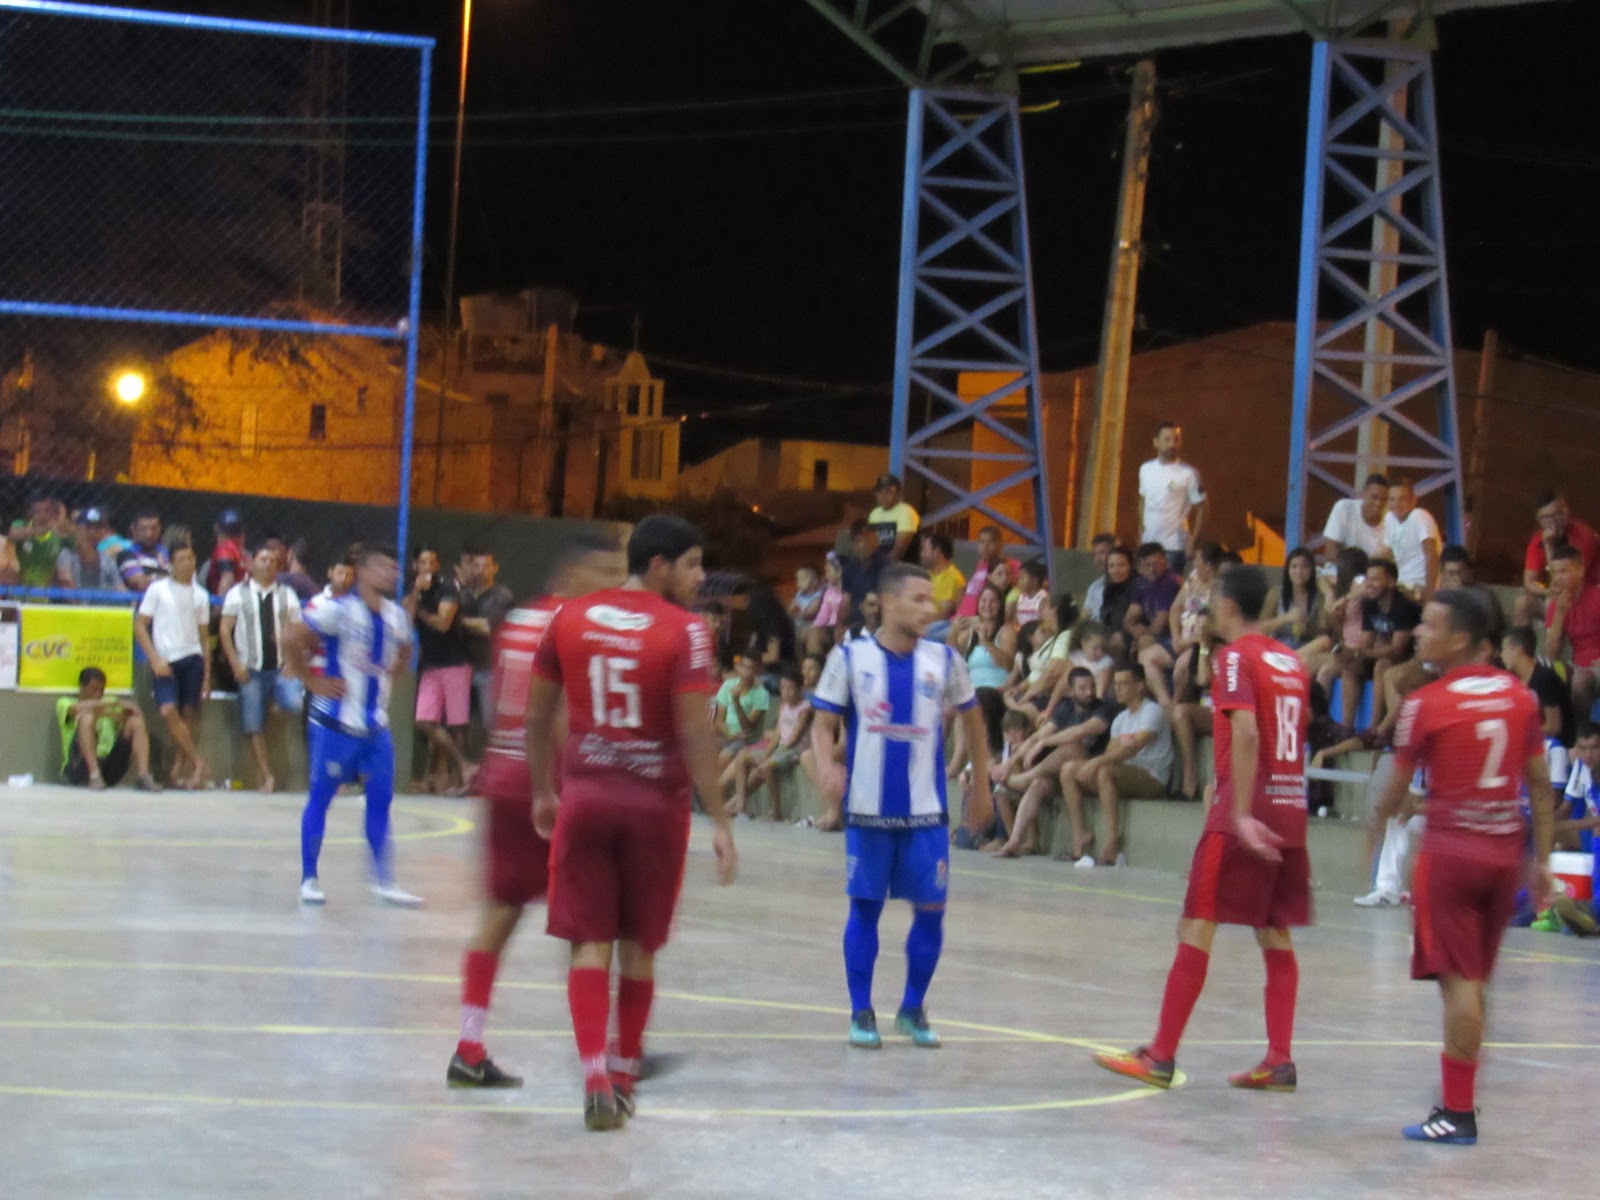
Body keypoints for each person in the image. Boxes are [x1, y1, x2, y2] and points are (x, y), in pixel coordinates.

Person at [524, 512, 738, 1131]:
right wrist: (720, 818)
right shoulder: (687, 631)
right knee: (638, 947)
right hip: (654, 808)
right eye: (692, 565)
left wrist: (543, 790)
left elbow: (536, 717)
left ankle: (593, 1074)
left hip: (586, 799)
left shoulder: (569, 617)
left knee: (589, 942)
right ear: (658, 565)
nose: (700, 577)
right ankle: (622, 1075)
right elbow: (696, 733)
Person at [1093, 565, 1311, 1092]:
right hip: (1290, 804)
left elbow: (1247, 732)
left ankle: (1160, 1055)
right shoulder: (1289, 661)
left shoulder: (1234, 658)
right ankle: (1279, 1059)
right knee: (1274, 930)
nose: (1202, 607)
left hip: (1245, 810)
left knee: (1196, 923)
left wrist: (1239, 811)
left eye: (1209, 599)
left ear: (1228, 605)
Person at [447, 532, 626, 1090]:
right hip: (551, 787)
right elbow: (560, 716)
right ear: (575, 574)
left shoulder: (519, 620)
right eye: (607, 573)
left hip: (503, 779)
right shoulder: (580, 627)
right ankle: (598, 1070)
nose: (617, 584)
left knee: (500, 912)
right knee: (589, 926)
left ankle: (469, 1046)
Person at [1374, 587, 1552, 1145]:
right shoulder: (1520, 697)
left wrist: (1377, 828)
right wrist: (1542, 860)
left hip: (1451, 856)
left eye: (1430, 626)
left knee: (1460, 985)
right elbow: (1540, 785)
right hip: (1503, 855)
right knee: (1475, 980)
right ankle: (1458, 1101)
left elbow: (1394, 790)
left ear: (1461, 639)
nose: (1418, 633)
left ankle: (1457, 1113)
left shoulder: (1427, 703)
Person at [810, 561, 993, 1051]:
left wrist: (981, 785)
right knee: (865, 909)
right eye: (918, 599)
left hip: (927, 813)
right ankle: (861, 1011)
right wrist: (826, 768)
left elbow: (974, 723)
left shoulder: (946, 661)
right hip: (867, 810)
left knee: (931, 911)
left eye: (931, 599)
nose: (929, 609)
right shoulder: (849, 658)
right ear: (887, 603)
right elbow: (822, 725)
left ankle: (912, 1008)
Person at [286, 541, 421, 909]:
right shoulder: (338, 609)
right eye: (384, 567)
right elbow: (290, 636)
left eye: (395, 568)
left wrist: (390, 674)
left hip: (375, 726)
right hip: (335, 724)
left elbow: (405, 651)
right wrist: (311, 681)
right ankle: (309, 878)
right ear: (363, 571)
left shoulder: (396, 617)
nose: (392, 573)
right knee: (321, 798)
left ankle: (384, 881)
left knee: (381, 800)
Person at [1059, 665, 1172, 866]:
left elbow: (1133, 748)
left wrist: (1097, 761)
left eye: (1123, 684)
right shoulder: (1121, 718)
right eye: (1115, 685)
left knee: (1105, 771)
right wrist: (1099, 760)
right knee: (1068, 770)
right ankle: (1080, 834)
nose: (1117, 689)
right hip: (1125, 772)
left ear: (1139, 686)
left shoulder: (1152, 711)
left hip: (1152, 776)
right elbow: (1112, 753)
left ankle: (1112, 842)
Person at [219, 544, 304, 792]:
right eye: (263, 559)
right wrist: (235, 664)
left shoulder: (287, 594)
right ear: (252, 563)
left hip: (280, 668)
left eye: (273, 561)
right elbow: (224, 630)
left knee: (294, 703)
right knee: (253, 724)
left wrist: (293, 661)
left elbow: (297, 630)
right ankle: (267, 775)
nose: (268, 564)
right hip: (250, 669)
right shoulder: (238, 593)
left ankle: (271, 704)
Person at [133, 539, 211, 790]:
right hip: (165, 660)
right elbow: (140, 626)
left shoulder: (201, 595)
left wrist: (207, 676)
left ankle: (176, 771)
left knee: (187, 716)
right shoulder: (158, 589)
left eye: (190, 558)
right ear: (171, 564)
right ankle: (198, 762)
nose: (187, 563)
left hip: (192, 658)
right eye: (181, 559)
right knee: (168, 711)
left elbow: (204, 638)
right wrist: (154, 658)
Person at [405, 546, 473, 794]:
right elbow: (405, 620)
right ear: (415, 565)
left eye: (432, 562)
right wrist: (416, 593)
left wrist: (421, 612)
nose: (428, 567)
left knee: (457, 724)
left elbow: (443, 623)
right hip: (431, 666)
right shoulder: (414, 590)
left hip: (455, 663)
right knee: (424, 721)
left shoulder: (447, 587)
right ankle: (464, 765)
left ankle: (459, 781)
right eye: (423, 562)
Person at [58, 667, 158, 790]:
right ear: (82, 687)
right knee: (87, 717)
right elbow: (77, 709)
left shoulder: (109, 703)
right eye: (94, 689)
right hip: (79, 767)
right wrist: (112, 705)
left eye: (101, 690)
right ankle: (94, 775)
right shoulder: (65, 702)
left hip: (107, 766)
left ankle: (143, 776)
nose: (98, 694)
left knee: (135, 722)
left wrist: (128, 710)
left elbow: (134, 716)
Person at [458, 546, 514, 744]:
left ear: (495, 568)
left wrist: (454, 620)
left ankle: (494, 763)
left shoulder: (502, 596)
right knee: (458, 725)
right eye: (476, 566)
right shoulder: (461, 592)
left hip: (489, 668)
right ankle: (459, 763)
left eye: (486, 566)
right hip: (461, 667)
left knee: (491, 725)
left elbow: (487, 627)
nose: (481, 570)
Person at [1516, 492, 1600, 625]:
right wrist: (1547, 591)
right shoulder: (1537, 541)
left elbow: (1565, 582)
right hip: (1558, 595)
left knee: (1555, 602)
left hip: (1587, 594)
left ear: (1566, 511)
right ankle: (1519, 638)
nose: (1554, 521)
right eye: (1547, 517)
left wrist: (1549, 546)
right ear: (1539, 520)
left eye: (1557, 514)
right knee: (1523, 603)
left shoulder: (1583, 535)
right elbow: (1529, 581)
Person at [743, 667, 813, 821]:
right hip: (782, 747)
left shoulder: (805, 709)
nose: (786, 692)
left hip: (795, 750)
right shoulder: (783, 706)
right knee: (745, 758)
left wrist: (770, 758)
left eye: (790, 688)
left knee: (766, 766)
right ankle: (739, 801)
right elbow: (777, 735)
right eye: (783, 688)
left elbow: (794, 739)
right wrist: (766, 754)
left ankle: (776, 810)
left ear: (800, 689)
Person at [1138, 422, 1205, 576]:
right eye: (1167, 440)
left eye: (1176, 440)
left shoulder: (1188, 473)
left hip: (1174, 546)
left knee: (1170, 586)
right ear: (1156, 442)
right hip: (1148, 544)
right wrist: (1141, 534)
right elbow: (1143, 501)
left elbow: (1202, 507)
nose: (1172, 444)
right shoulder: (1145, 469)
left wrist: (1193, 540)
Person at [1543, 544, 1600, 721]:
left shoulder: (1597, 597)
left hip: (1595, 667)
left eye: (1564, 571)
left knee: (1580, 681)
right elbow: (1551, 655)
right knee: (1544, 675)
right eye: (1554, 572)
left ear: (1581, 570)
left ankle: (1582, 733)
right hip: (1577, 666)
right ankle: (1556, 731)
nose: (1558, 578)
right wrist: (1560, 612)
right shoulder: (1556, 606)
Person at [1381, 478, 1442, 601]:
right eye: (1392, 499)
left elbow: (1431, 556)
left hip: (1418, 587)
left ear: (1414, 500)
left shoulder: (1419, 516)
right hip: (1400, 584)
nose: (1397, 504)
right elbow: (1386, 553)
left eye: (1402, 499)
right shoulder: (1389, 518)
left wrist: (1429, 598)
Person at [1318, 473, 1389, 563]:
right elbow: (1330, 553)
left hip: (1373, 571)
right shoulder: (1344, 508)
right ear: (1363, 493)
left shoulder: (1390, 520)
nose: (1378, 503)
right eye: (1374, 497)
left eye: (1384, 499)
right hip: (1339, 569)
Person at [9, 494, 74, 591]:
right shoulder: (21, 525)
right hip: (19, 592)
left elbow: (77, 539)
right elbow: (12, 534)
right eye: (38, 511)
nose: (43, 515)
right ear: (30, 512)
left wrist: (62, 518)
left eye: (47, 511)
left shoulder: (58, 533)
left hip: (44, 593)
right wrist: (43, 529)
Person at [866, 473, 920, 561]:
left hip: (902, 565)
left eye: (888, 492)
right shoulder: (875, 513)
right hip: (878, 563)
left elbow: (898, 550)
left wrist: (881, 565)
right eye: (879, 492)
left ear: (899, 494)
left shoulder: (906, 511)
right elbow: (870, 543)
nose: (883, 496)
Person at [117, 511, 170, 595]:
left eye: (154, 529)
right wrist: (171, 578)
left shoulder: (167, 552)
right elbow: (140, 584)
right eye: (143, 529)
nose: (149, 534)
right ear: (133, 529)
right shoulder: (127, 555)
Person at [204, 509, 247, 599]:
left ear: (217, 529)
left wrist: (220, 603)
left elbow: (227, 578)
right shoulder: (245, 554)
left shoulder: (225, 550)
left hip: (229, 602)